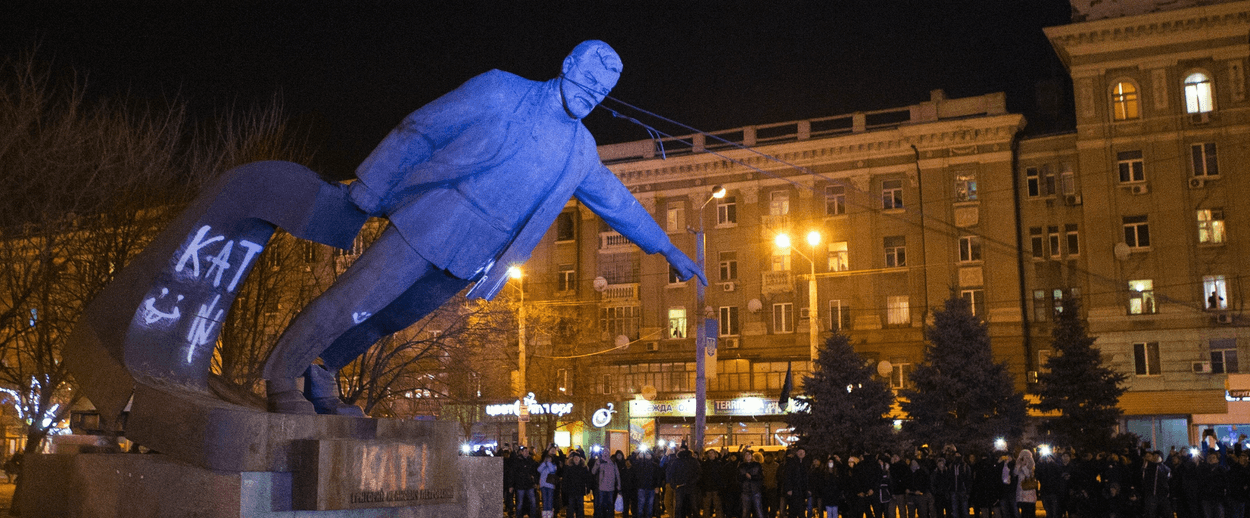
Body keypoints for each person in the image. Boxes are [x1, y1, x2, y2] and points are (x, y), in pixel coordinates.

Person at [260, 40, 705, 414]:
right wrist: (373, 183)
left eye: (603, 91)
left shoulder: (581, 151)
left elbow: (617, 202)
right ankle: (281, 375)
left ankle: (322, 373)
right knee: (356, 297)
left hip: (475, 254)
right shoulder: (501, 89)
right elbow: (423, 127)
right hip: (435, 218)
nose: (593, 93)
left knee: (389, 319)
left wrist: (667, 248)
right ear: (567, 65)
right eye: (589, 80)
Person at [591, 449, 621, 518]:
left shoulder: (612, 462)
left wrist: (619, 485)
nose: (605, 454)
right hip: (602, 488)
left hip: (610, 488)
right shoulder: (600, 461)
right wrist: (597, 463)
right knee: (601, 505)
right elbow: (593, 471)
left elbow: (617, 474)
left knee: (610, 505)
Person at [564, 452, 594, 518]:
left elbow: (587, 478)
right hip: (571, 491)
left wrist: (588, 488)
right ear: (573, 459)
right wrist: (565, 489)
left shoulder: (584, 468)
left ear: (580, 459)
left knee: (580, 508)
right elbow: (565, 479)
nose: (576, 459)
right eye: (575, 458)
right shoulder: (569, 468)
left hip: (580, 490)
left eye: (577, 458)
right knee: (570, 508)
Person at [538, 453, 560, 518]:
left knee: (550, 501)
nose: (548, 459)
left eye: (549, 458)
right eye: (547, 458)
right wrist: (544, 463)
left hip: (550, 486)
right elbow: (539, 470)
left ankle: (549, 516)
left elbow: (552, 470)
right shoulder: (543, 465)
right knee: (545, 501)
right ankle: (545, 516)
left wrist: (549, 463)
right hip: (543, 485)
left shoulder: (553, 465)